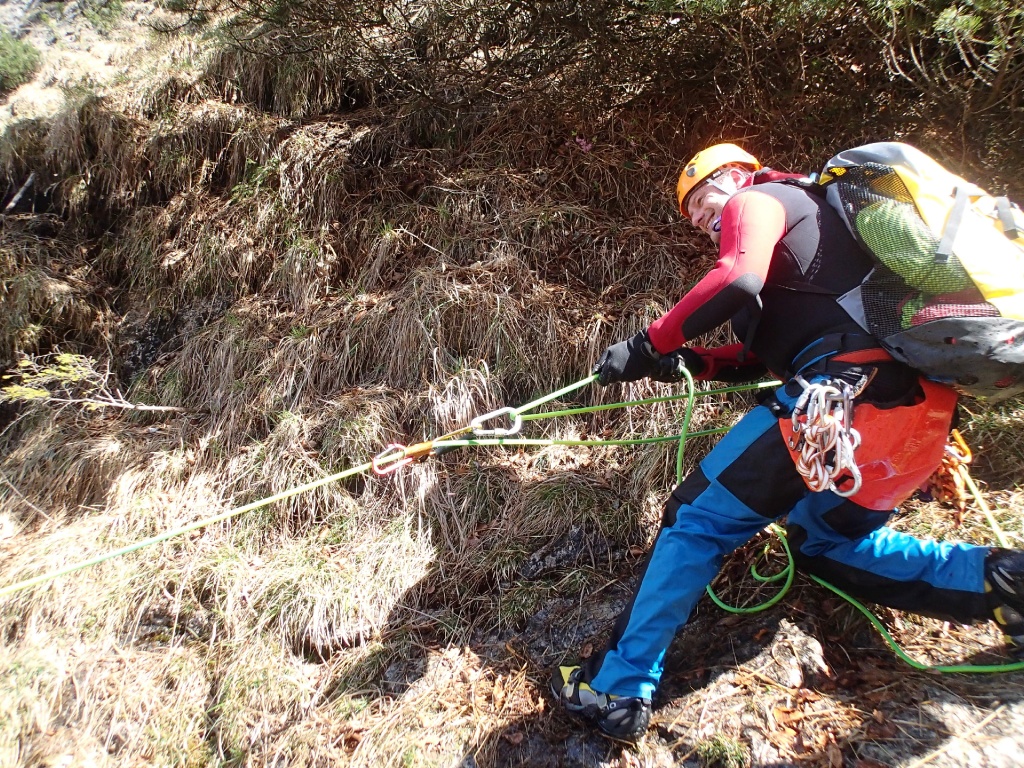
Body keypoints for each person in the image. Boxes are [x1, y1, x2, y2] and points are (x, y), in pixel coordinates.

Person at [550, 143, 1024, 742]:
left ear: (736, 174)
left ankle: (615, 687)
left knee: (698, 520)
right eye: (693, 216)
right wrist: (690, 361)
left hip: (836, 404)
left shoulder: (761, 197)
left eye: (703, 198)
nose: (702, 217)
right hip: (918, 416)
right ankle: (1002, 584)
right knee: (826, 540)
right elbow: (759, 356)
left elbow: (735, 277)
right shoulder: (822, 245)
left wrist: (649, 343)